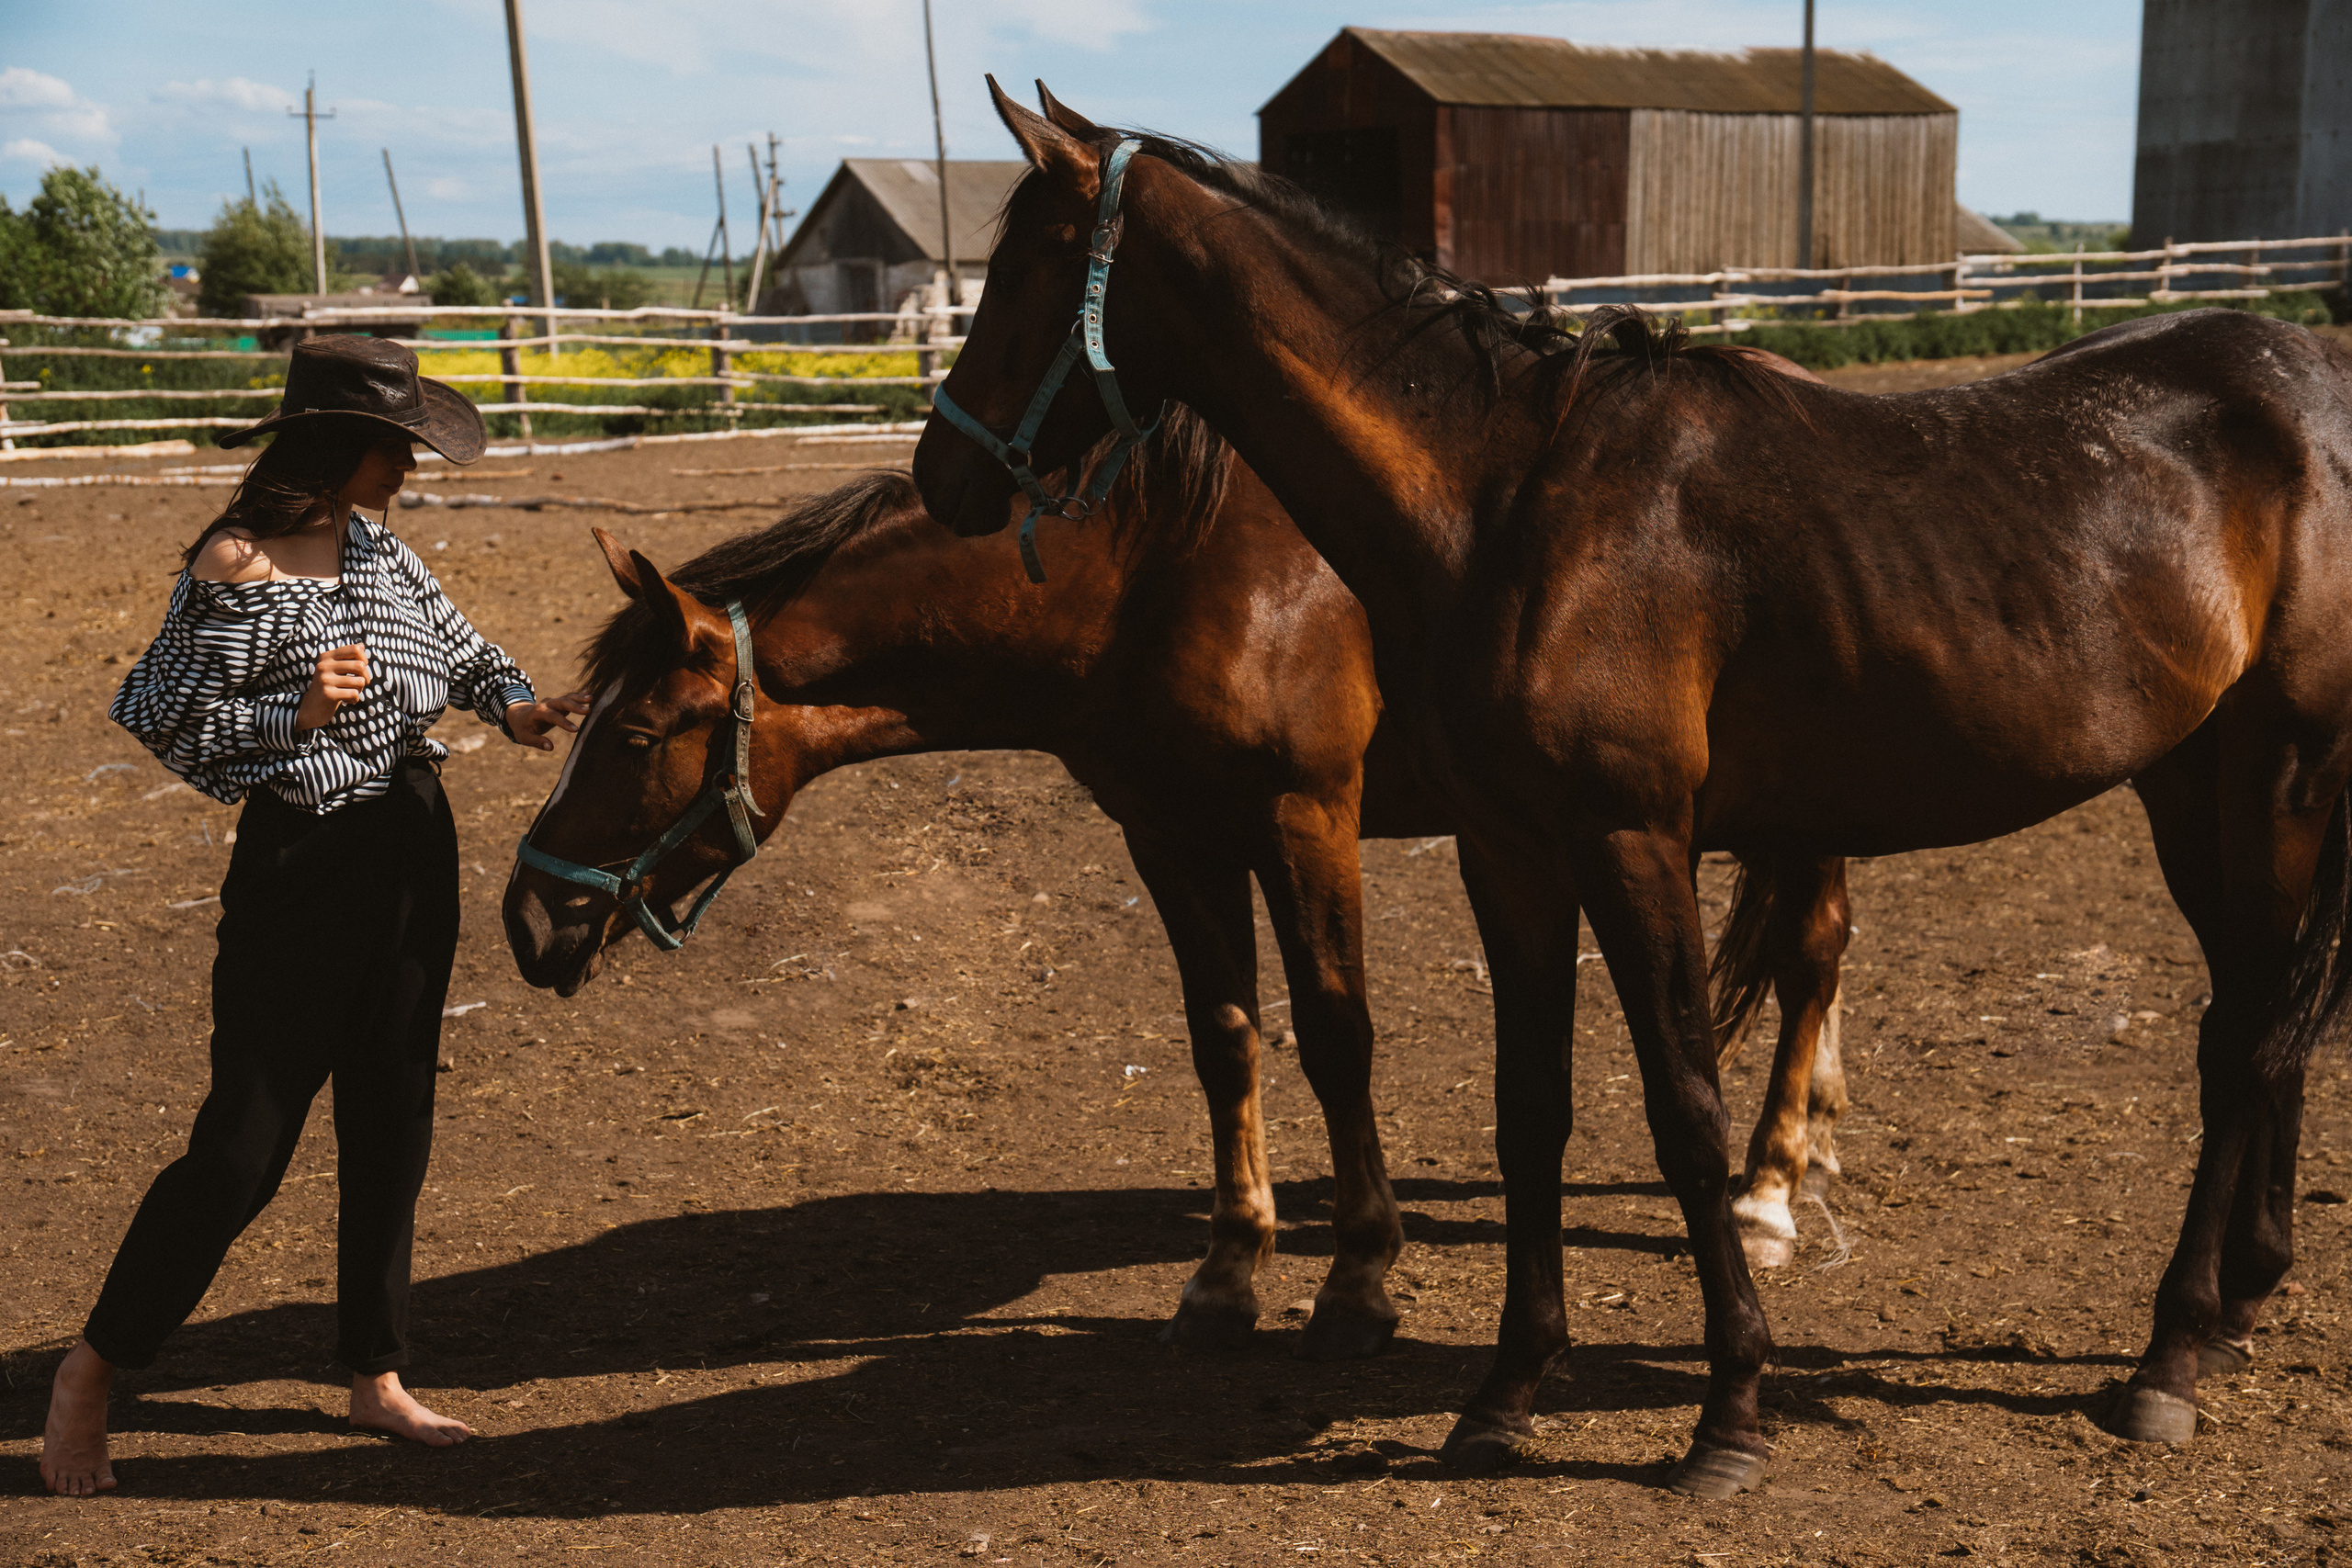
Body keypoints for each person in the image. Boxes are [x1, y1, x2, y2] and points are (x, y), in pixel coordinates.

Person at [40, 336, 592, 1496]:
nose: (409, 466)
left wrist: (518, 707)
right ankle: (93, 1369)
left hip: (413, 845)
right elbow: (161, 716)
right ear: (339, 444)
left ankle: (374, 1371)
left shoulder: (380, 547)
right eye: (396, 446)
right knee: (242, 1146)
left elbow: (458, 647)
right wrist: (289, 716)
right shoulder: (234, 562)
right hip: (301, 865)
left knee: (393, 1118)